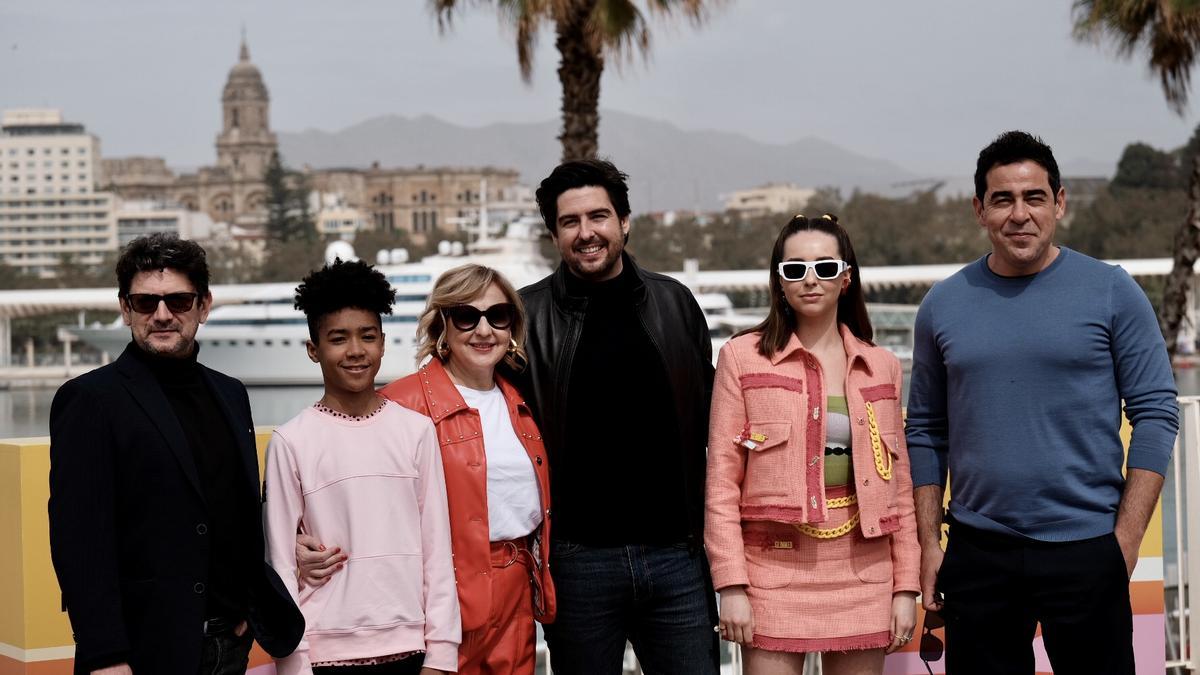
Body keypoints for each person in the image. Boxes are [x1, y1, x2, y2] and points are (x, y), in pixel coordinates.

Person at [905, 131, 1180, 674]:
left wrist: (1123, 545)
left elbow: (1155, 412)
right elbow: (926, 430)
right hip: (979, 550)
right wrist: (929, 545)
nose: (1019, 214)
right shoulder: (942, 305)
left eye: (1034, 197)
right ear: (979, 210)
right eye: (1002, 199)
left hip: (1089, 548)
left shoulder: (1111, 291)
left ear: (1060, 202)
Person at [47, 233, 304, 675]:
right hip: (143, 652)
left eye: (179, 301)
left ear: (204, 306)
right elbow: (79, 540)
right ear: (125, 309)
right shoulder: (90, 399)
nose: (162, 315)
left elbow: (233, 508)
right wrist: (106, 656)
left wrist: (250, 599)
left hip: (230, 647)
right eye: (146, 303)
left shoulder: (230, 394)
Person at [289, 263, 552, 674]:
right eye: (466, 317)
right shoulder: (401, 405)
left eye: (498, 316)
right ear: (442, 323)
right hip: (440, 597)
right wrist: (297, 541)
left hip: (516, 592)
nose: (484, 330)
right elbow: (343, 479)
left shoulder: (523, 398)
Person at [517, 158, 719, 674]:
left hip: (679, 558)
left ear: (624, 222)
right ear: (555, 234)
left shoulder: (676, 304)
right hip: (578, 563)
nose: (587, 233)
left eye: (599, 217)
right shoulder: (525, 317)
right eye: (570, 222)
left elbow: (717, 418)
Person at [706, 214, 919, 674]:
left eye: (824, 268)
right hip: (772, 575)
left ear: (846, 278)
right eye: (794, 268)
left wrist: (905, 588)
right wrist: (731, 586)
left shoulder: (882, 365)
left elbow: (898, 484)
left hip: (866, 573)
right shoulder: (741, 359)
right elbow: (722, 484)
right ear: (778, 281)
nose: (809, 279)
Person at [263, 259, 459, 675]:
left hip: (412, 649)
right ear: (314, 349)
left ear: (384, 343)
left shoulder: (417, 432)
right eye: (338, 339)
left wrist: (441, 655)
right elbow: (280, 563)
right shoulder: (290, 441)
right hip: (322, 655)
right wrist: (293, 665)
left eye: (367, 336)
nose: (355, 350)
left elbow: (438, 551)